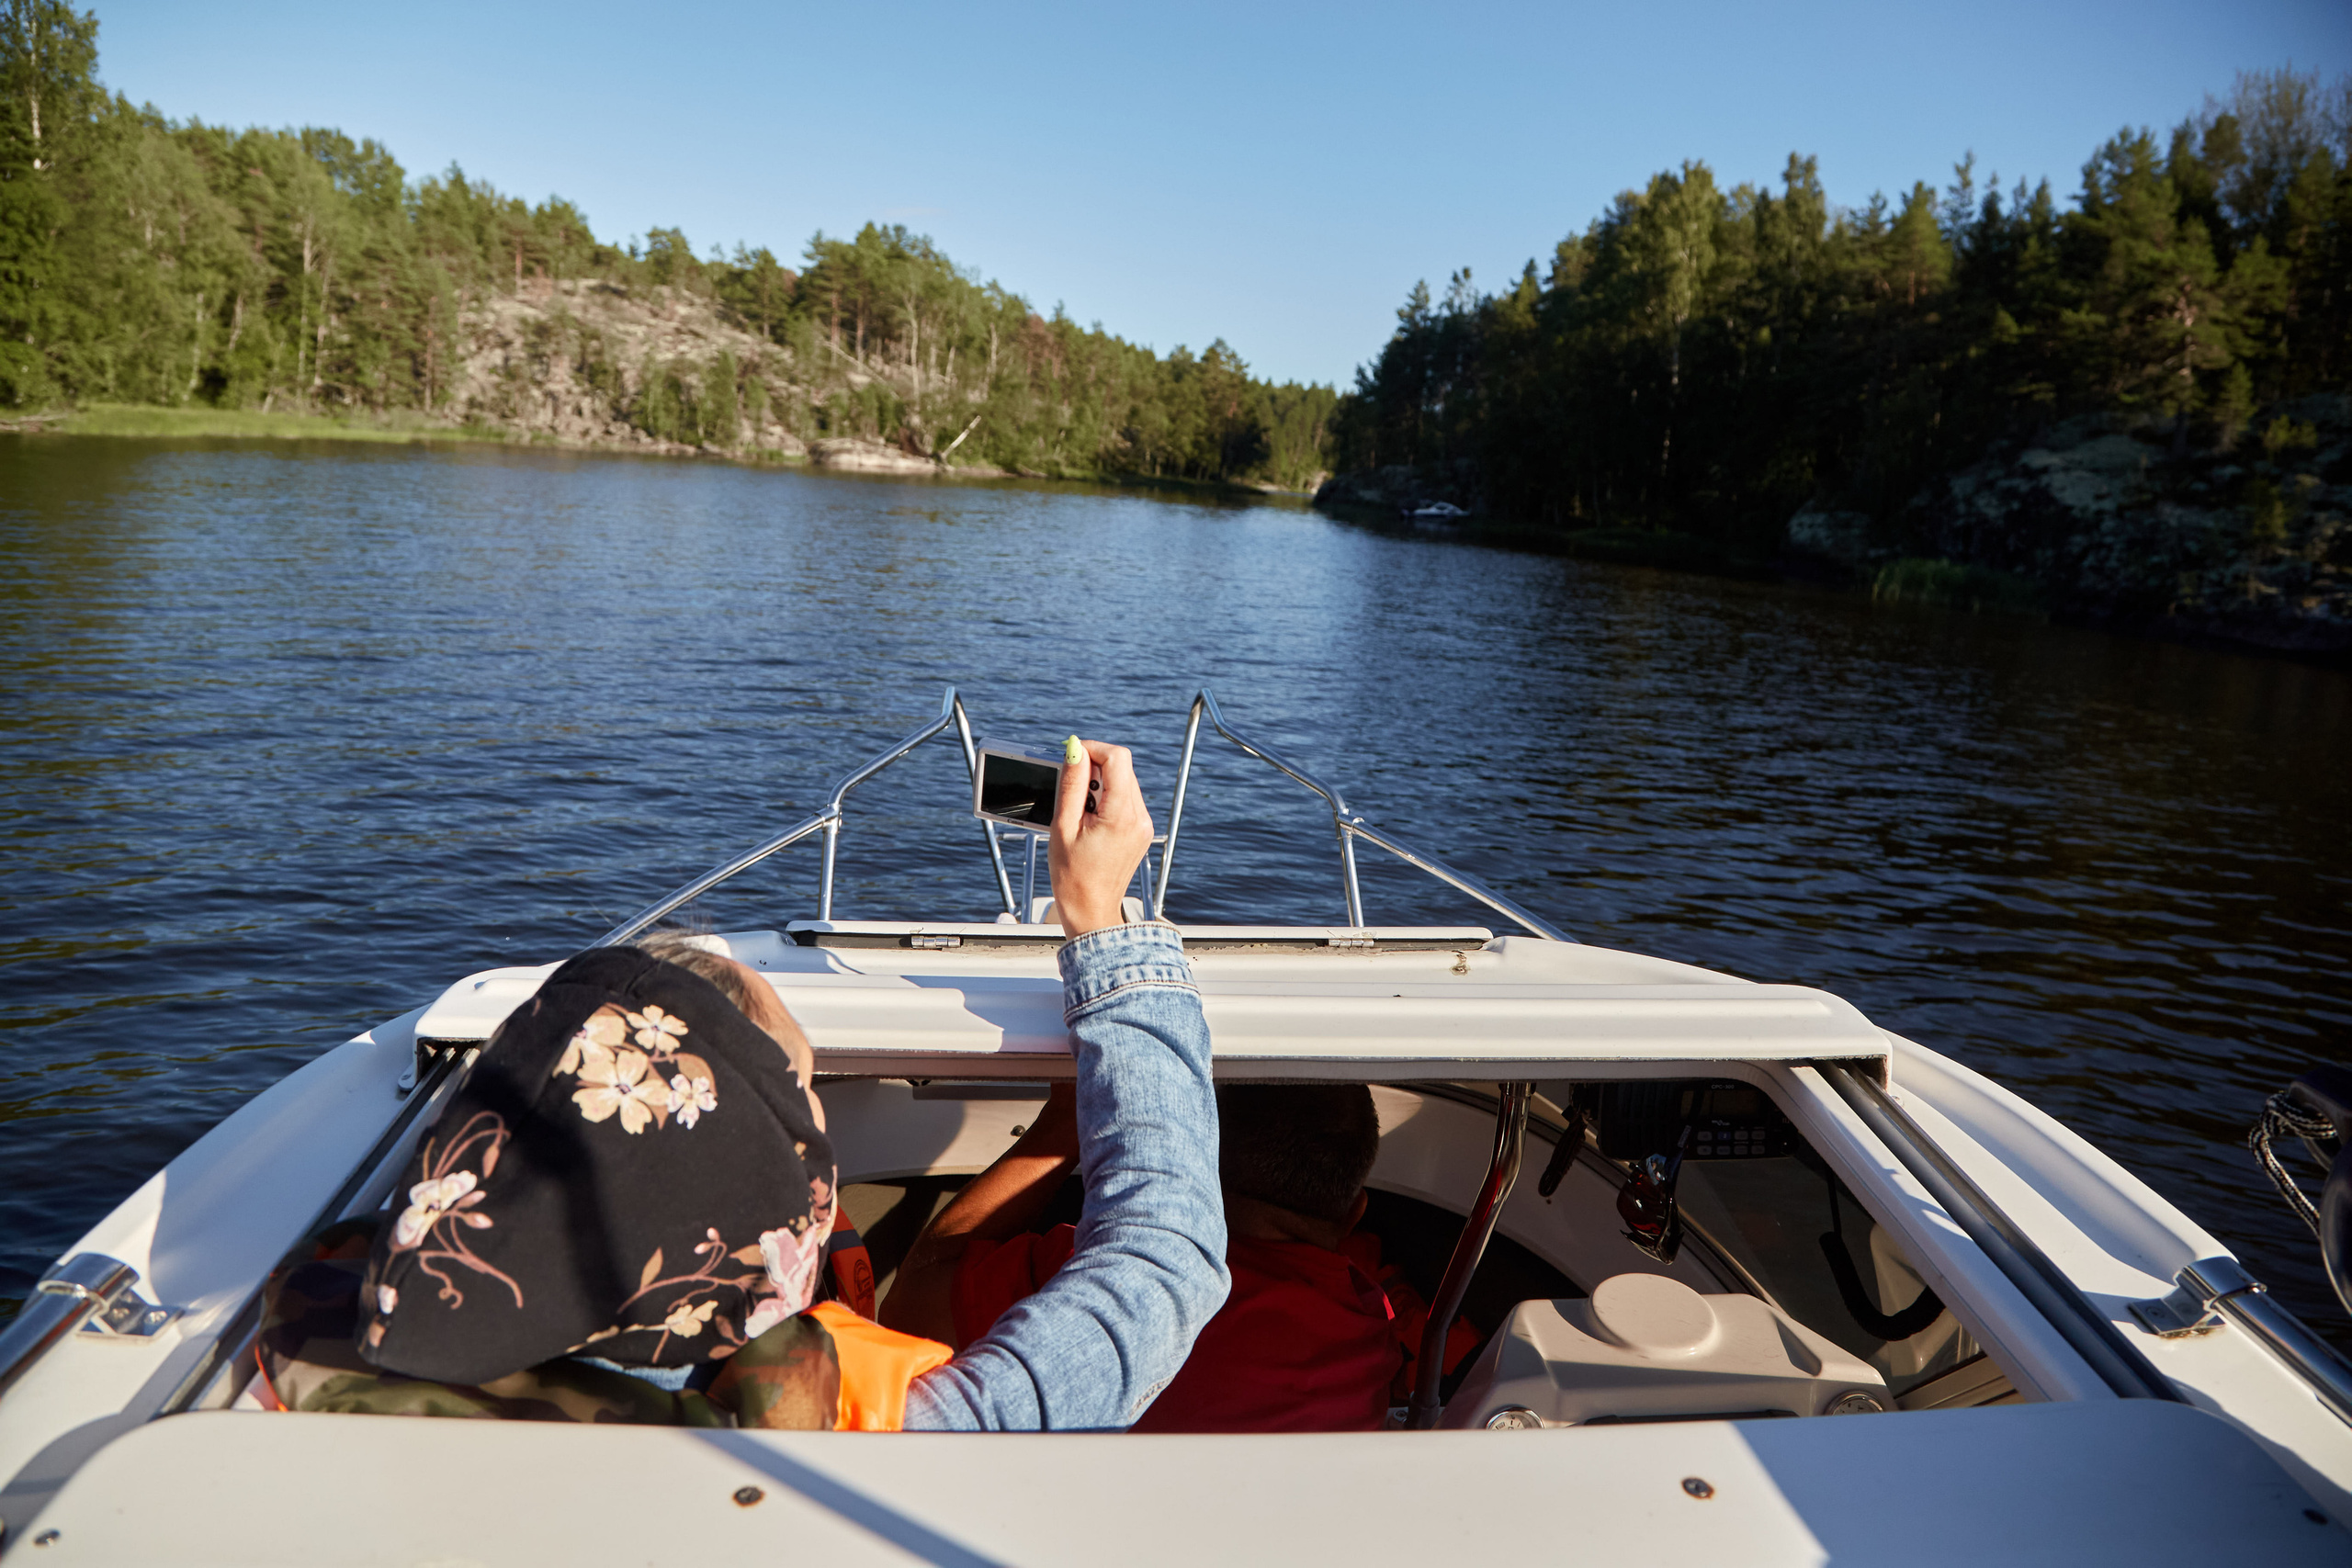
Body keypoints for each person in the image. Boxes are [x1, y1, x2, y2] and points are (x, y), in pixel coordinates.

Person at [253, 736, 1229, 1432]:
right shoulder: (872, 1456)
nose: (818, 1119)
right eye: (800, 1097)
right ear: (773, 1230)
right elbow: (1161, 1261)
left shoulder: (306, 1374)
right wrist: (1103, 921)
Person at [885, 1079, 1468, 1432]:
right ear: (1353, 1214)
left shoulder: (1105, 1274)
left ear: (1194, 1170)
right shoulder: (1371, 1323)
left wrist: (1063, 1126)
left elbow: (911, 1308)